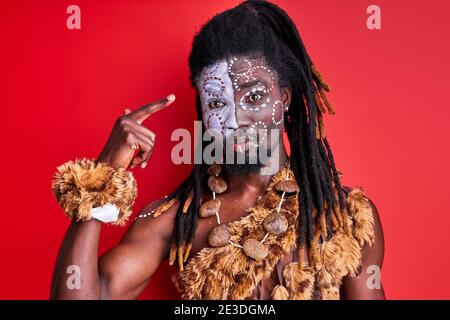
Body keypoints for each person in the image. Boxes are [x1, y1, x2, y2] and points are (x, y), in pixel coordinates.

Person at [50, 0, 385, 300]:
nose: (236, 119)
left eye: (254, 97)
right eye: (217, 102)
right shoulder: (175, 220)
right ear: (203, 112)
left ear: (283, 98)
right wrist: (101, 177)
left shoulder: (345, 217)